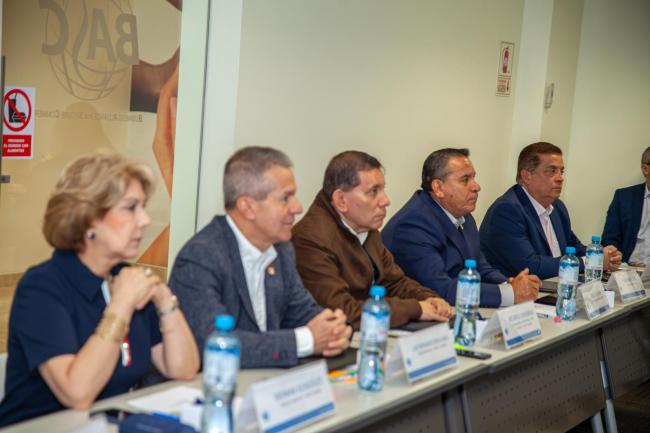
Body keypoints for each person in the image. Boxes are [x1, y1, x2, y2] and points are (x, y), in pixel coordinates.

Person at [0, 155, 199, 427]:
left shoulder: (125, 277)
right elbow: (78, 393)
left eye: (143, 207)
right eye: (130, 208)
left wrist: (165, 299)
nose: (145, 220)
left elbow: (183, 369)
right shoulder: (41, 287)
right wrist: (121, 305)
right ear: (88, 219)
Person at [169, 147, 351, 368]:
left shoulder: (281, 250)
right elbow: (214, 342)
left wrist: (333, 329)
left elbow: (302, 312)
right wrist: (306, 340)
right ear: (247, 207)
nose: (297, 207)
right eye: (285, 198)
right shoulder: (200, 257)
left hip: (263, 379)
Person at [291, 151, 453, 329]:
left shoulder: (365, 227)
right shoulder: (310, 241)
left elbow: (394, 282)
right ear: (341, 200)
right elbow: (342, 312)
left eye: (383, 190)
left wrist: (428, 298)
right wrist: (415, 308)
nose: (385, 201)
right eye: (373, 192)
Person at [383, 148, 541, 308]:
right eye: (465, 180)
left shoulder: (463, 215)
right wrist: (509, 294)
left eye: (474, 177)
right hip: (420, 314)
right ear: (438, 188)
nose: (476, 186)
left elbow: (480, 267)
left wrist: (509, 283)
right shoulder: (413, 225)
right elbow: (439, 289)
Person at [479, 142, 622, 279]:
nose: (560, 178)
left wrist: (604, 255)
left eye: (561, 171)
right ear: (527, 176)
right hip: (517, 292)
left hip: (555, 286)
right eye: (551, 171)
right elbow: (531, 266)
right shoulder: (507, 210)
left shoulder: (557, 207)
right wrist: (591, 261)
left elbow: (575, 248)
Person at [602, 146, 650, 265]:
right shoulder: (624, 197)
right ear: (645, 169)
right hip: (629, 268)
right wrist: (616, 259)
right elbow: (610, 239)